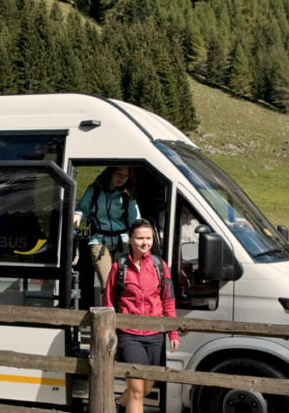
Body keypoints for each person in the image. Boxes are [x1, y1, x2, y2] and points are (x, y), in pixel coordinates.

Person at [104, 218, 178, 413]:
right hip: (129, 335)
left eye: (148, 238)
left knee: (145, 388)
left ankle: (121, 404)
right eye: (140, 238)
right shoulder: (119, 267)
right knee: (137, 390)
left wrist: (172, 333)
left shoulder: (159, 266)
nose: (145, 243)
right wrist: (110, 333)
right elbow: (109, 302)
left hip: (155, 336)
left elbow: (168, 301)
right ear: (130, 240)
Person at [74, 166, 140, 290]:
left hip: (123, 241)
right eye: (119, 174)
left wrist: (138, 239)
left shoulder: (127, 195)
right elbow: (82, 209)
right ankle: (109, 307)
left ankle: (121, 308)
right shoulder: (94, 190)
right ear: (110, 173)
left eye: (126, 176)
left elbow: (135, 221)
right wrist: (78, 215)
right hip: (99, 241)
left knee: (123, 284)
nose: (122, 178)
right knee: (108, 285)